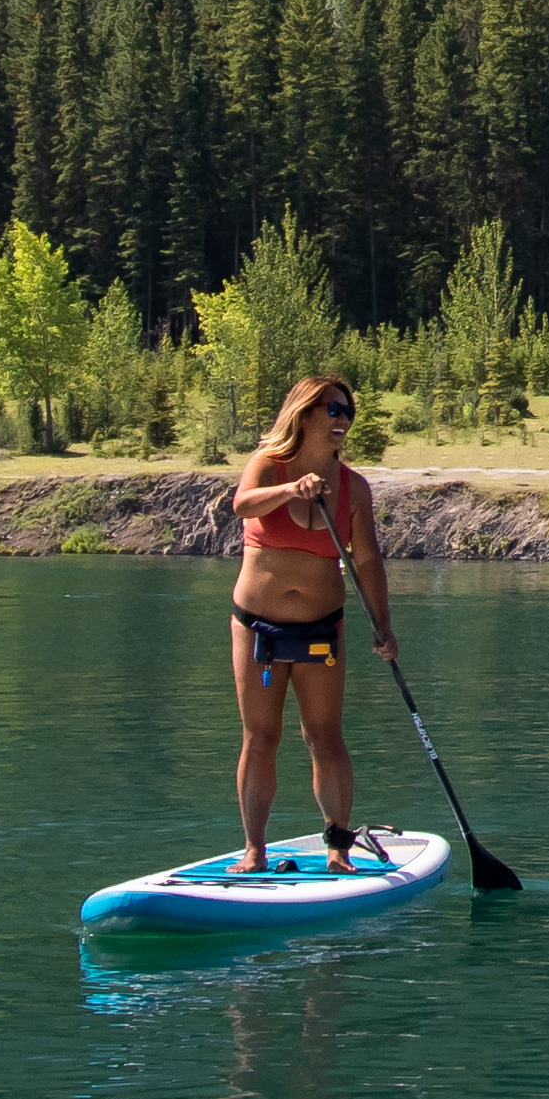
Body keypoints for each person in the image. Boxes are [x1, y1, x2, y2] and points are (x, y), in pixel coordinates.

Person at [225, 372, 393, 870]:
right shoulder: (268, 465)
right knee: (261, 736)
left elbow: (367, 560)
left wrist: (383, 626)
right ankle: (255, 848)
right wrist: (291, 491)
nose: (343, 420)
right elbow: (241, 505)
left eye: (348, 412)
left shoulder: (353, 488)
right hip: (258, 628)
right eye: (333, 410)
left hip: (322, 627)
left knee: (324, 734)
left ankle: (338, 847)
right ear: (304, 414)